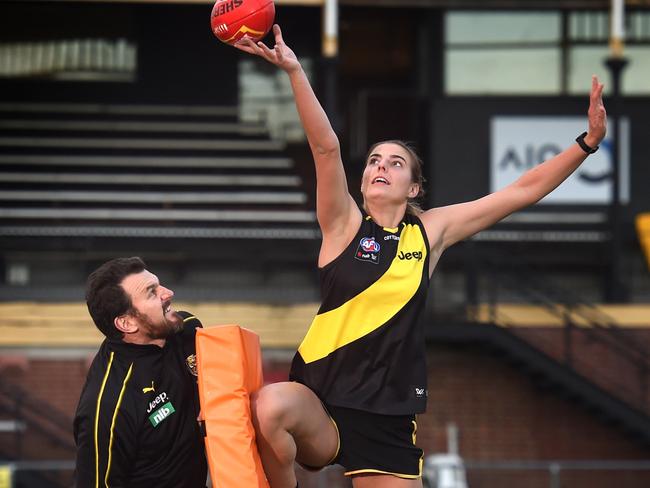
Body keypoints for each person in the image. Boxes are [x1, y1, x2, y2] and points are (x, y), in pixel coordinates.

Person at [236, 25, 606, 488]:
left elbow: (521, 191)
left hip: (387, 417)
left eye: (394, 162)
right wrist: (294, 70)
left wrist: (587, 143)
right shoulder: (343, 225)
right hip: (321, 402)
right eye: (373, 160)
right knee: (269, 406)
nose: (379, 167)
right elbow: (326, 148)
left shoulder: (430, 232)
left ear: (413, 188)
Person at [73, 256, 208, 488]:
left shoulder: (188, 329)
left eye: (159, 284)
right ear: (126, 323)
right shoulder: (107, 406)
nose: (169, 293)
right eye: (151, 292)